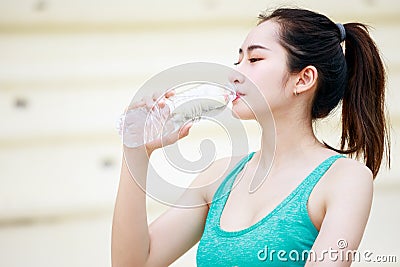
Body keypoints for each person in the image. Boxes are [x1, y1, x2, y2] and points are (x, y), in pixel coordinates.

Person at [111, 7, 390, 267]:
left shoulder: (344, 179)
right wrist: (136, 150)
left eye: (254, 59)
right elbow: (134, 262)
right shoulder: (221, 174)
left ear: (303, 79)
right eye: (238, 59)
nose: (236, 73)